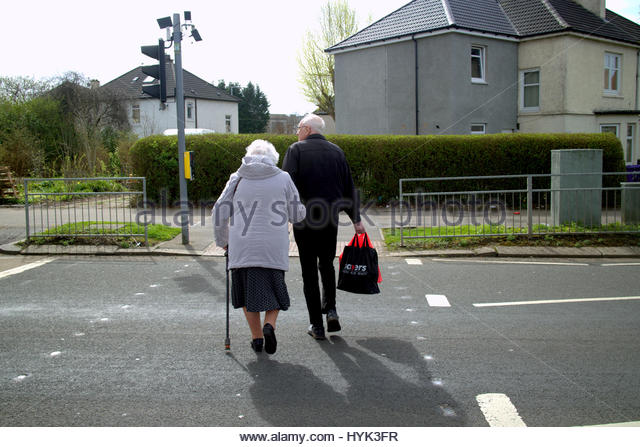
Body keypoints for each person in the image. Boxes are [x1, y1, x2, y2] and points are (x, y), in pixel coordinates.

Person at [213, 139, 306, 354]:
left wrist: (223, 241)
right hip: (273, 247)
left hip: (242, 247)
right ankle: (269, 326)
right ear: (273, 158)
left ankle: (256, 339)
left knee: (247, 294)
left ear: (249, 156)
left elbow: (219, 212)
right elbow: (296, 214)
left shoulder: (236, 179)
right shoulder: (283, 178)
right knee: (275, 290)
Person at [282, 114, 365, 341]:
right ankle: (330, 310)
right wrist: (356, 219)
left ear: (307, 129)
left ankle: (316, 325)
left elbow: (286, 186)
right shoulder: (337, 152)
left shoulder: (295, 150)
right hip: (330, 219)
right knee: (327, 265)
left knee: (308, 271)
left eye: (299, 128)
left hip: (304, 219)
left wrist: (285, 216)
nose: (297, 132)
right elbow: (348, 186)